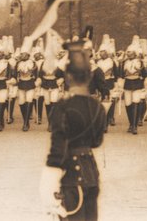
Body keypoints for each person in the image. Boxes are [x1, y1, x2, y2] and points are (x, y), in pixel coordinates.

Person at [39, 37, 108, 221]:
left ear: (68, 77)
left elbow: (57, 150)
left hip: (71, 176)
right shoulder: (97, 106)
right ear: (89, 76)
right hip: (91, 174)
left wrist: (48, 186)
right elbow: (96, 141)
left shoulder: (63, 106)